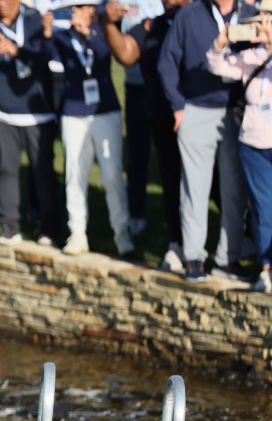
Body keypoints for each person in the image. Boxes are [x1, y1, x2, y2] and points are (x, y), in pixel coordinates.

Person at [158, 0, 255, 282]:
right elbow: (167, 61)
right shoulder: (189, 13)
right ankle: (194, 258)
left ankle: (229, 260)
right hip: (196, 109)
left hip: (238, 112)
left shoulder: (249, 15)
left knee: (234, 191)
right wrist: (178, 107)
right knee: (194, 189)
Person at [0, 0, 60, 246]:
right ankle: (8, 225)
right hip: (1, 111)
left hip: (37, 112)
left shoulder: (36, 21)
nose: (0, 4)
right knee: (6, 169)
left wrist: (16, 50)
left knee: (43, 173)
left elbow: (46, 57)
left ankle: (49, 227)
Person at [102, 0, 188, 271]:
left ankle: (236, 245)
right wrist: (108, 23)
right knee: (171, 179)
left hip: (206, 120)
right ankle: (178, 243)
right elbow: (127, 54)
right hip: (163, 117)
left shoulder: (204, 20)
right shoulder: (155, 25)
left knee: (220, 184)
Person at [45, 1, 134, 256]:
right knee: (75, 172)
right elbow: (45, 55)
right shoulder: (63, 37)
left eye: (81, 7)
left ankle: (121, 231)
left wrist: (89, 34)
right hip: (73, 111)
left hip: (105, 110)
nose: (76, 12)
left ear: (92, 9)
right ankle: (77, 232)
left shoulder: (106, 31)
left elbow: (109, 56)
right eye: (71, 8)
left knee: (112, 174)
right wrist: (48, 32)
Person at [206, 12, 272, 292]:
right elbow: (215, 65)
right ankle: (267, 268)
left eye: (269, 21)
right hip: (254, 141)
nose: (263, 27)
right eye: (262, 21)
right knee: (262, 208)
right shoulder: (251, 57)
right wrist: (222, 41)